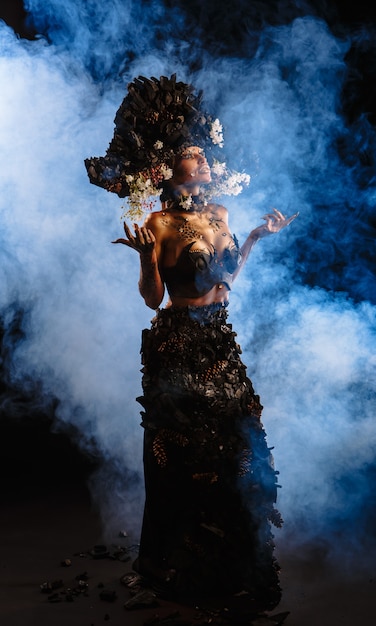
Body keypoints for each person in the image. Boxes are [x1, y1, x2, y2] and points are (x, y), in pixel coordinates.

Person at [85, 75, 297, 615]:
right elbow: (154, 301)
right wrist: (142, 257)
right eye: (194, 158)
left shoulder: (221, 215)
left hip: (221, 341)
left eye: (204, 158)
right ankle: (177, 566)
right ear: (169, 168)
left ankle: (236, 565)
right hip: (177, 345)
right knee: (183, 454)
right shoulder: (157, 221)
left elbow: (225, 279)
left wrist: (252, 239)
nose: (205, 165)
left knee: (240, 446)